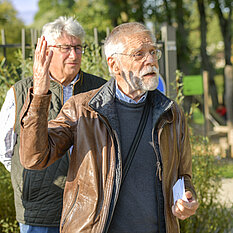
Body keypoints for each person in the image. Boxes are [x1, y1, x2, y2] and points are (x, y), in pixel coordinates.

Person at [19, 22, 199, 233]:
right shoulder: (83, 109)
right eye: (139, 54)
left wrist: (187, 198)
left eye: (153, 52)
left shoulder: (171, 113)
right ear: (114, 65)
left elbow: (183, 176)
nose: (150, 60)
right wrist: (40, 95)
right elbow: (34, 157)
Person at [0, 16, 106, 233]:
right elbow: (5, 148)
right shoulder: (21, 92)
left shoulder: (100, 90)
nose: (74, 55)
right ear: (47, 50)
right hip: (39, 210)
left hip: (88, 206)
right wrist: (30, 178)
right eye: (66, 48)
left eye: (78, 48)